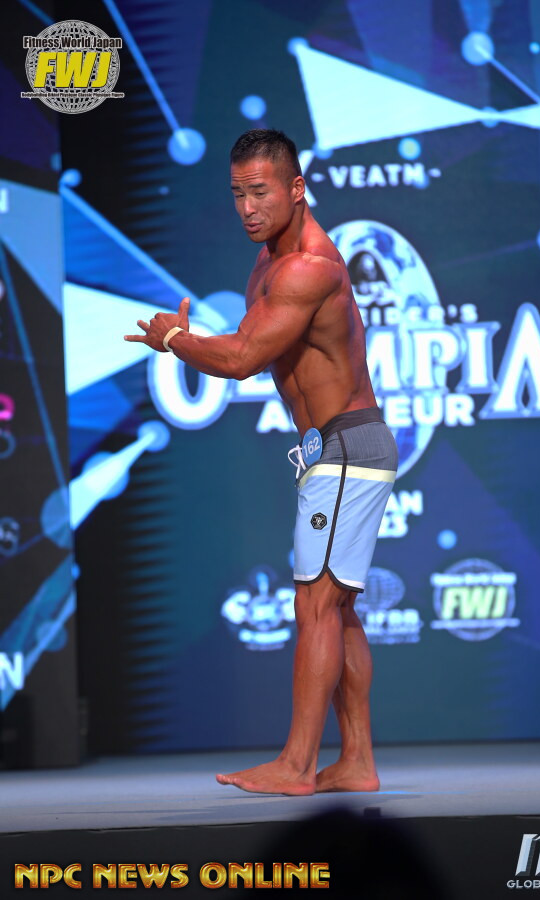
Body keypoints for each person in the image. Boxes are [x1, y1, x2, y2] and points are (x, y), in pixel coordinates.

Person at [124, 129, 398, 795]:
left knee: (314, 604)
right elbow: (252, 343)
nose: (247, 208)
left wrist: (176, 338)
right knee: (338, 608)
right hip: (333, 451)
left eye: (260, 192)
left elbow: (243, 358)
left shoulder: (309, 267)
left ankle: (297, 765)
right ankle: (357, 761)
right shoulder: (268, 264)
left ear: (296, 189)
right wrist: (190, 340)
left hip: (346, 449)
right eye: (237, 194)